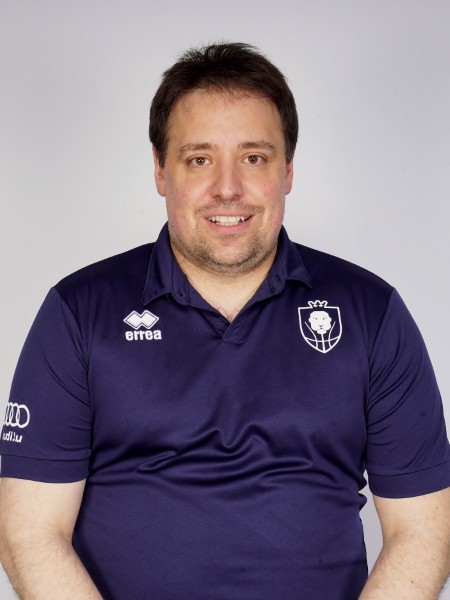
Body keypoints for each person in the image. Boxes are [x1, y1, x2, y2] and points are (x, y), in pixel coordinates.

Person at [0, 42, 449, 600]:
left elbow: (423, 531)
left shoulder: (372, 314)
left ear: (288, 171)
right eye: (200, 159)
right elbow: (29, 533)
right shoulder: (77, 312)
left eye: (254, 158)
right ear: (160, 171)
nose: (228, 188)